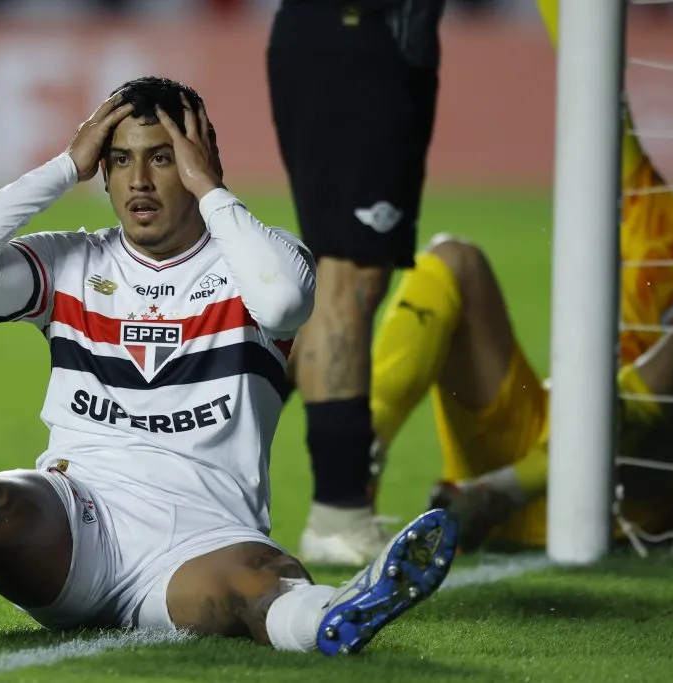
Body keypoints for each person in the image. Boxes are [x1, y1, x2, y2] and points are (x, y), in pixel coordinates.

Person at [0, 77, 458, 653]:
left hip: (200, 541)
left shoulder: (256, 263)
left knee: (261, 581)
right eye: (119, 160)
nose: (138, 181)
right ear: (102, 171)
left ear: (199, 164)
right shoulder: (72, 261)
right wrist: (62, 166)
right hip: (75, 523)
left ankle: (332, 618)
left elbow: (286, 298)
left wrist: (212, 191)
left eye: (162, 159)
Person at [367, 0, 673, 553]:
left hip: (620, 508)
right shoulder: (661, 226)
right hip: (529, 446)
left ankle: (500, 495)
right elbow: (604, 102)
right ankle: (359, 468)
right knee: (454, 259)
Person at [267, 0, 446, 565]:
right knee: (349, 272)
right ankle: (339, 514)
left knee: (360, 270)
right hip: (352, 28)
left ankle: (184, 446)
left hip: (387, 36)